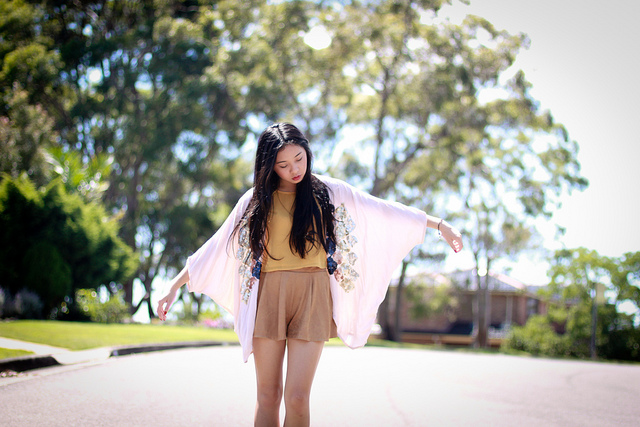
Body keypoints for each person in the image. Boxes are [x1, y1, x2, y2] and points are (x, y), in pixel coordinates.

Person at [157, 123, 463, 427]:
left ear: (307, 152)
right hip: (269, 296)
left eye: (299, 159)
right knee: (268, 395)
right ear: (269, 166)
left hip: (313, 296)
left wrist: (438, 225)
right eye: (283, 164)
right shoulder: (255, 201)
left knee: (298, 399)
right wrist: (174, 285)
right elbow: (216, 245)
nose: (294, 169)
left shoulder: (328, 192)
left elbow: (381, 210)